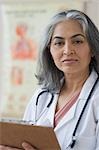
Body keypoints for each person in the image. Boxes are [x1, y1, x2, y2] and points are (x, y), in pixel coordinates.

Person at [0, 9, 99, 150]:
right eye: (59, 43)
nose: (67, 50)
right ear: (49, 51)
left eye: (77, 41)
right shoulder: (41, 96)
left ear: (93, 48)